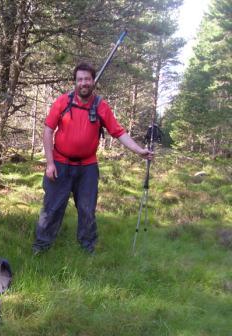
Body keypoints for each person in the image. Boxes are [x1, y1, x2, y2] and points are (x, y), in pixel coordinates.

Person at [32, 61, 153, 255]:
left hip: (87, 167)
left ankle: (87, 249)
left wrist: (139, 151)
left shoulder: (101, 106)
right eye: (80, 79)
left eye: (87, 79)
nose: (84, 83)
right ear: (75, 82)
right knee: (52, 209)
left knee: (87, 210)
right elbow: (47, 131)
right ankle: (41, 247)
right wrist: (50, 163)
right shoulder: (63, 102)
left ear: (93, 81)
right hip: (60, 163)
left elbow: (118, 132)